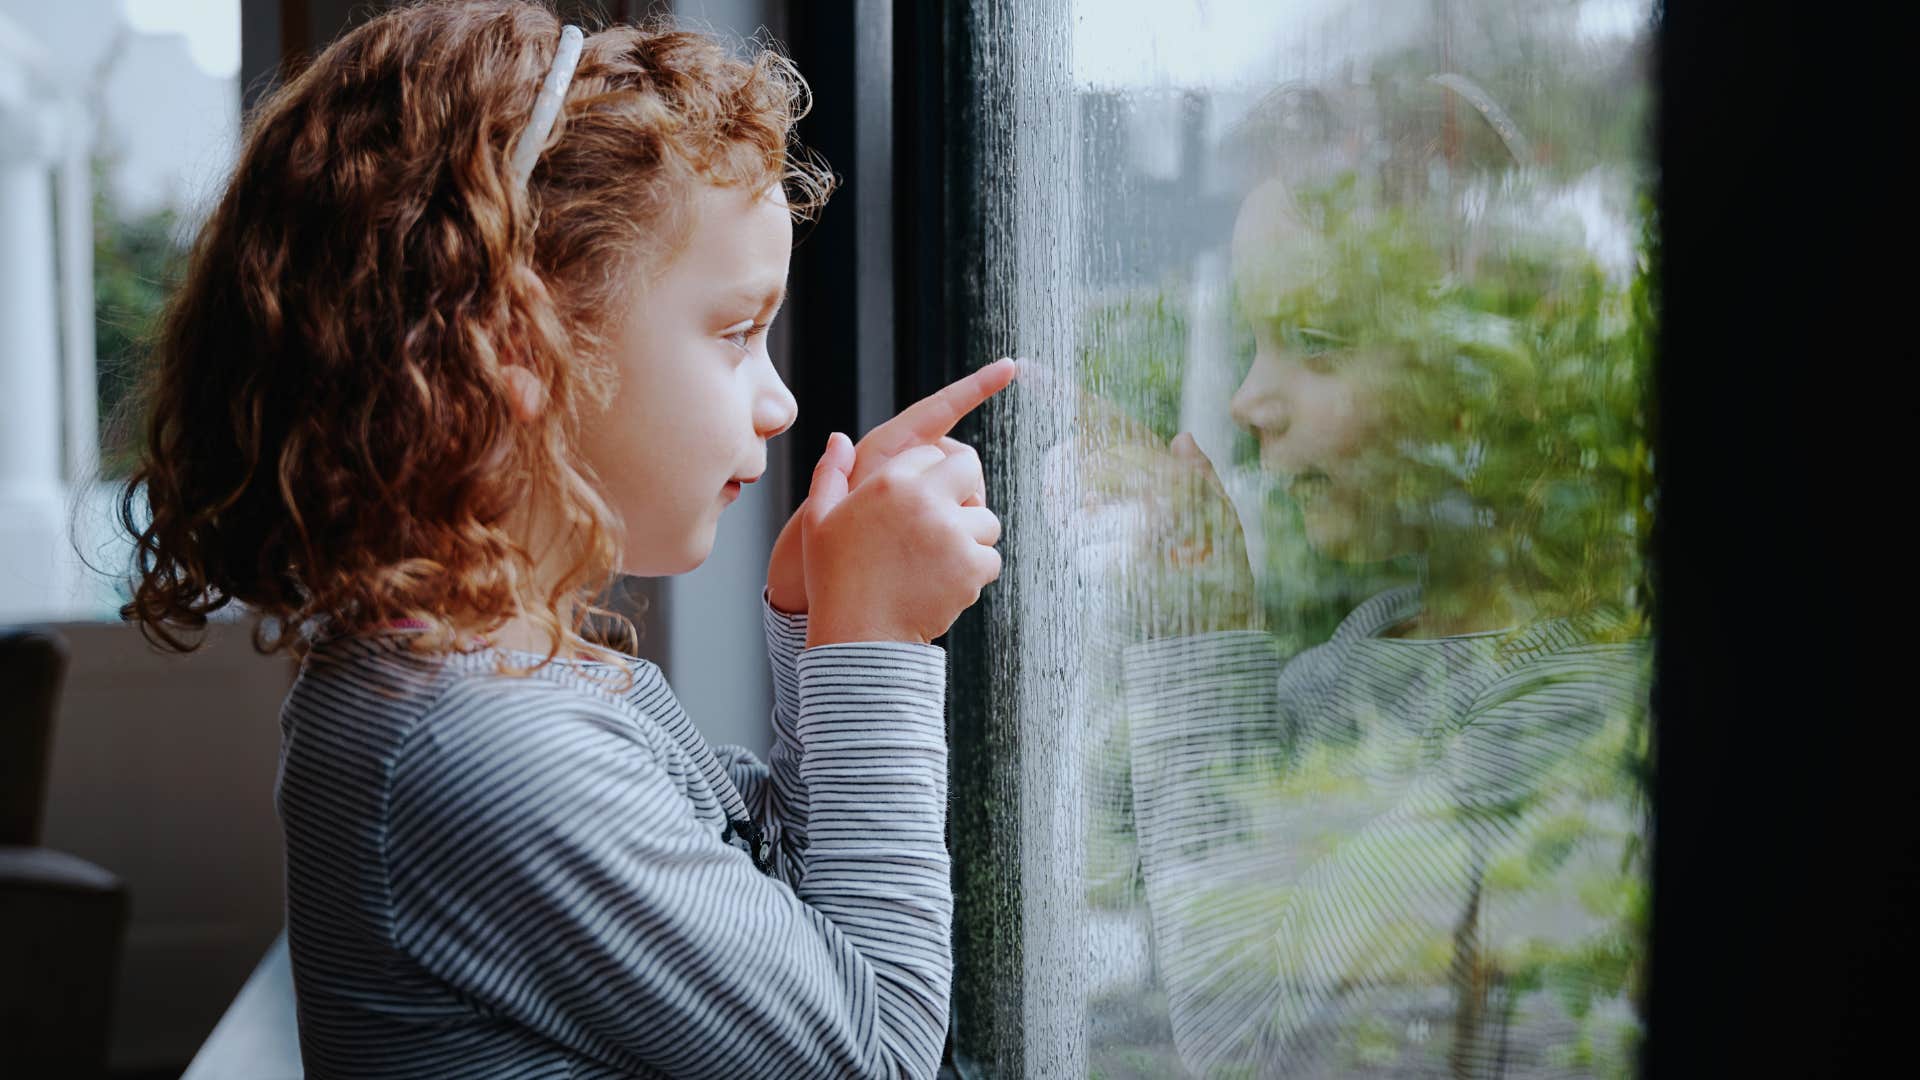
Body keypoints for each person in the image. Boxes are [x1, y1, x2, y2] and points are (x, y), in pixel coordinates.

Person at [115, 3, 1011, 1076]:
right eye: (734, 334)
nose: (779, 404)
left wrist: (814, 621)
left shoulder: (486, 681)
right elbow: (875, 1051)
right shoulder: (474, 744)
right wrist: (874, 648)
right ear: (515, 340)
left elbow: (759, 911)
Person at [1080, 80, 1653, 1077]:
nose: (1254, 398)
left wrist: (1195, 638)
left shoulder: (1559, 709)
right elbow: (1117, 874)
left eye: (1318, 342)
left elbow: (1245, 1030)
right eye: (1257, 339)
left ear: (1482, 378)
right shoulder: (1366, 653)